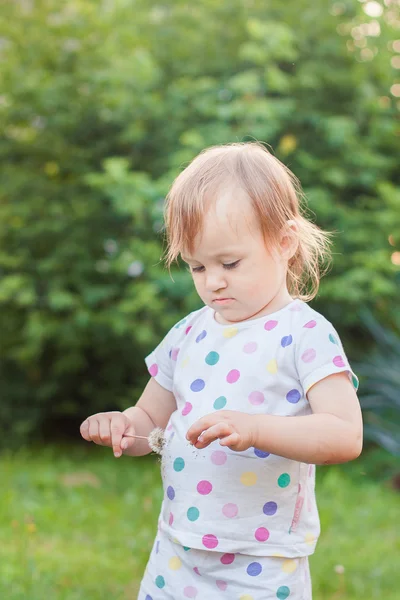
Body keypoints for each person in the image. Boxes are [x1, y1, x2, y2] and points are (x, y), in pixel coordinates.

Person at [80, 142, 363, 600]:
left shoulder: (305, 333)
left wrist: (255, 428)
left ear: (284, 243)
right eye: (197, 266)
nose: (213, 281)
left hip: (261, 559)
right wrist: (120, 426)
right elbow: (148, 422)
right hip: (176, 551)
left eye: (230, 263)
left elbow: (345, 435)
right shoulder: (188, 333)